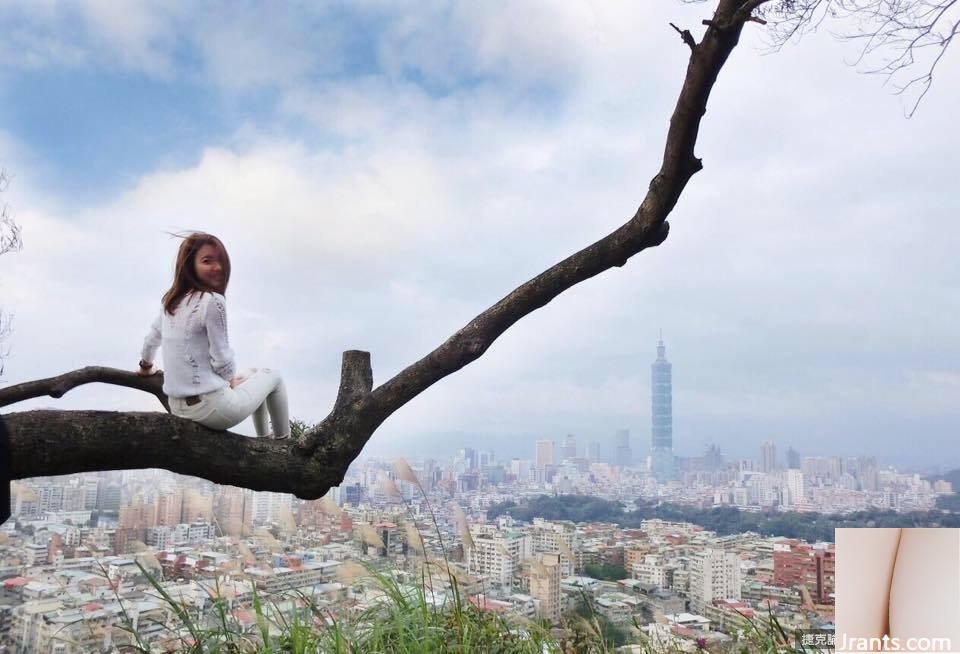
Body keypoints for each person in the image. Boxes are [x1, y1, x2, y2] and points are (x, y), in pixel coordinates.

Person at [136, 232, 291, 440]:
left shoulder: (171, 303)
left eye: (221, 261)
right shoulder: (212, 301)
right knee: (275, 376)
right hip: (212, 410)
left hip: (178, 408)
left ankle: (264, 439)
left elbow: (151, 340)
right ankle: (284, 442)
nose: (217, 267)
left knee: (253, 374)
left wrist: (146, 367)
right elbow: (222, 359)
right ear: (190, 265)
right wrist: (230, 381)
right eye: (207, 261)